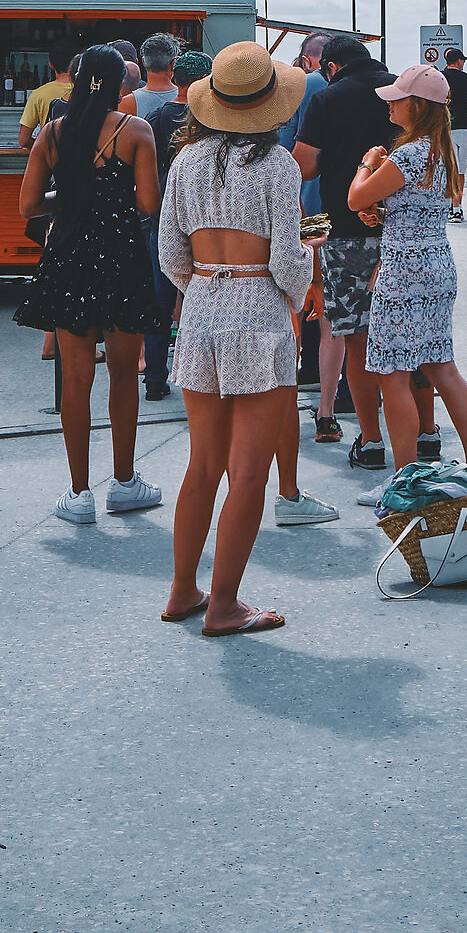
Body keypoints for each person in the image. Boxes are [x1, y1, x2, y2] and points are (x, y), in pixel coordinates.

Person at [158, 42, 314, 634]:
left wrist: (205, 282)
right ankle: (224, 604)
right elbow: (288, 263)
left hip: (199, 307)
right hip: (257, 314)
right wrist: (301, 287)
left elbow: (170, 251)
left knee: (203, 465)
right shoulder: (278, 167)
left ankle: (183, 589)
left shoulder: (187, 163)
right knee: (250, 472)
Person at [15, 47, 165, 522]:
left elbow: (28, 206)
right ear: (122, 85)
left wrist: (72, 193)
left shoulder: (53, 134)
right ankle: (123, 482)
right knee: (123, 375)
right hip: (122, 257)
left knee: (75, 381)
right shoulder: (136, 131)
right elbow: (147, 203)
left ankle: (79, 494)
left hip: (69, 258)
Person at [348, 65, 467, 484]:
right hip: (436, 264)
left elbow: (355, 196)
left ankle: (404, 478)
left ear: (414, 105)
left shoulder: (407, 153)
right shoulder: (441, 149)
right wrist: (386, 212)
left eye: (397, 98)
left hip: (402, 270)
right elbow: (416, 206)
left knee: (391, 373)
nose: (390, 104)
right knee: (442, 367)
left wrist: (367, 163)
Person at [293, 34, 395, 476]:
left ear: (330, 66)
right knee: (400, 332)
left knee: (347, 329)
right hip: (402, 230)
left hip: (340, 226)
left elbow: (305, 166)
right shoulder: (400, 91)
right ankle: (421, 429)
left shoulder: (325, 98)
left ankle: (354, 427)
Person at [278, 35, 342, 438]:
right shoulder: (334, 87)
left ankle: (305, 372)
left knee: (306, 294)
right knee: (334, 302)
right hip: (340, 204)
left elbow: (289, 150)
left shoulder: (302, 86)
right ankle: (337, 388)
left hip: (306, 202)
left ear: (309, 58)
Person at [139, 45, 208, 400]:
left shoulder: (156, 118)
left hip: (164, 216)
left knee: (159, 300)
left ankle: (154, 379)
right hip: (202, 219)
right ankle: (200, 377)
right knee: (201, 297)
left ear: (174, 79)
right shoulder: (210, 121)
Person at [19, 52, 79, 149]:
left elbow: (24, 140)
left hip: (50, 158)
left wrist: (42, 148)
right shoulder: (88, 91)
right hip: (81, 157)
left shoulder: (38, 94)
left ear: (51, 64)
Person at [442, 48, 467, 222]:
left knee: (447, 170)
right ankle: (457, 208)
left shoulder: (439, 77)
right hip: (463, 127)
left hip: (443, 128)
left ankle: (447, 204)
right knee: (460, 171)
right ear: (459, 61)